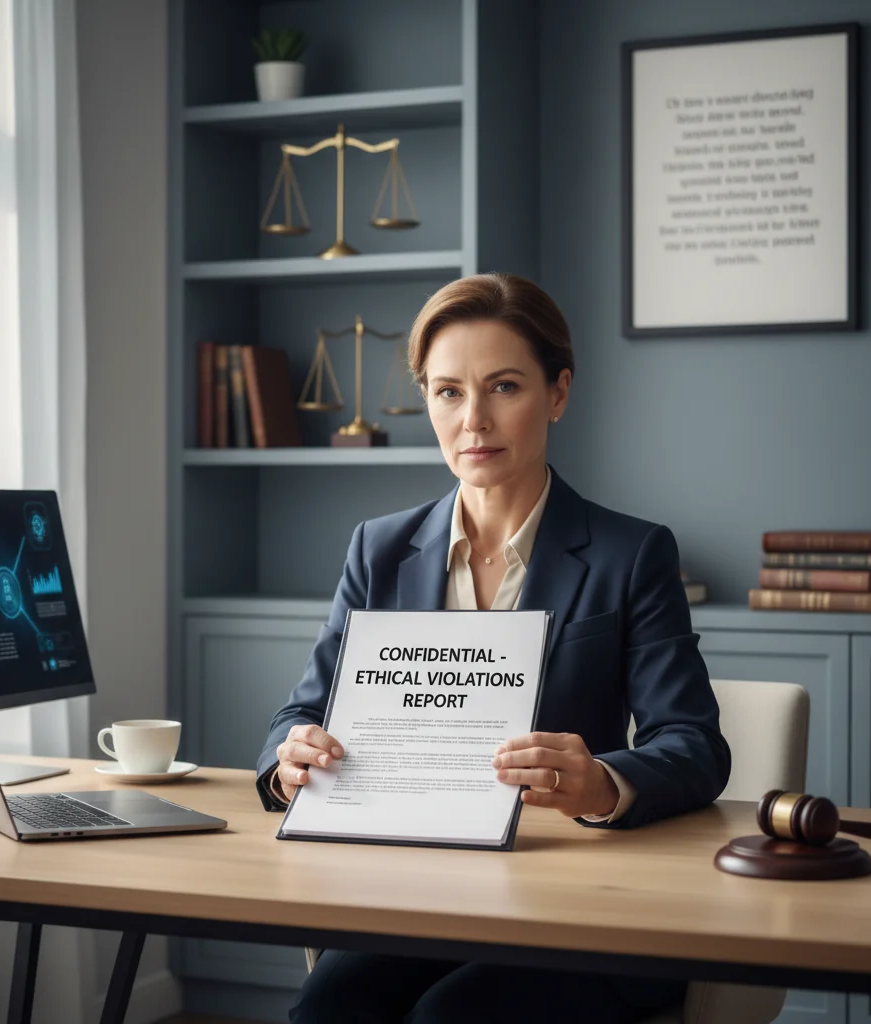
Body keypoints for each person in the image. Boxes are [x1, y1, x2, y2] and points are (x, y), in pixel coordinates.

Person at [255, 272, 731, 1023]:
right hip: (412, 891)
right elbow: (299, 713)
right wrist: (290, 761)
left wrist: (602, 783)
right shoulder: (377, 550)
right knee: (328, 1008)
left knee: (452, 1018)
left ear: (559, 393)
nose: (473, 419)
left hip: (578, 902)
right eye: (447, 392)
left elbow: (695, 746)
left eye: (503, 386)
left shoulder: (631, 552)